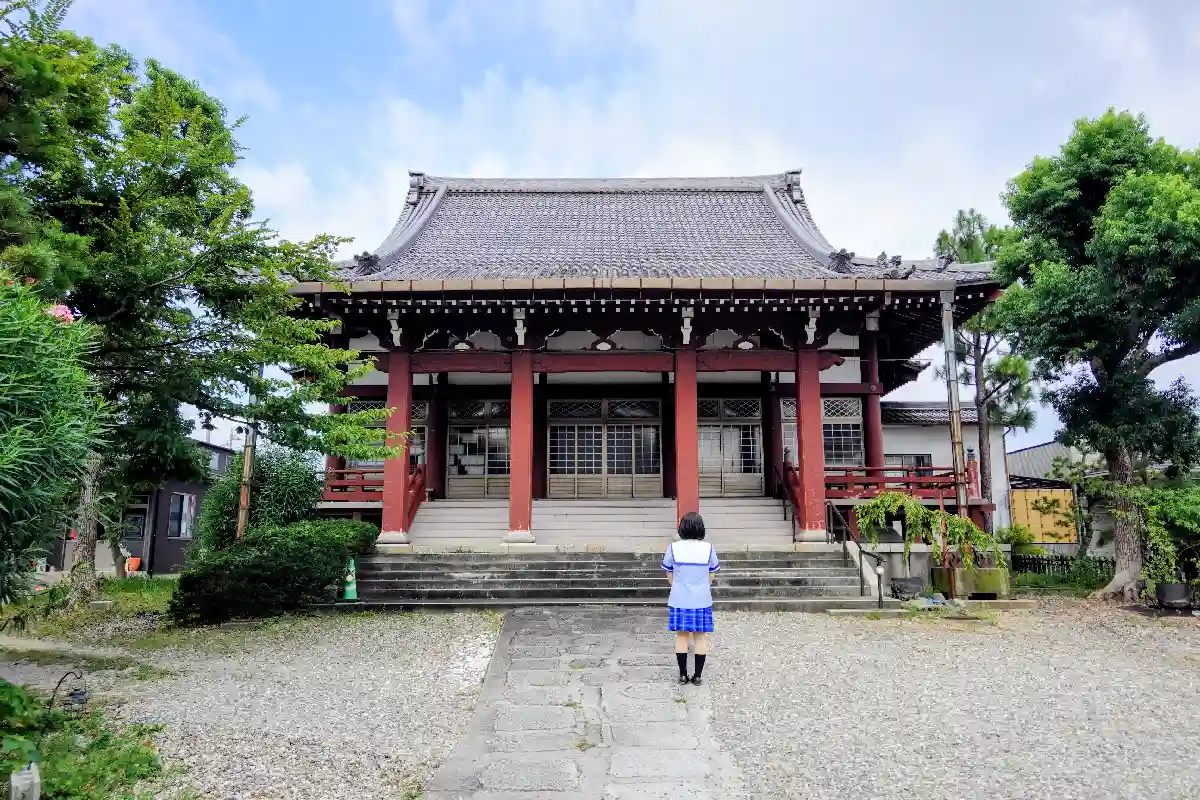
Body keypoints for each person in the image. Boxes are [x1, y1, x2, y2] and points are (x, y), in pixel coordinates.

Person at [661, 511, 719, 685]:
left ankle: (683, 675)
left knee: (681, 636)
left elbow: (668, 572)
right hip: (702, 599)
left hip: (679, 598)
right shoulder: (708, 548)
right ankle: (698, 676)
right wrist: (703, 586)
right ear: (701, 528)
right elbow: (712, 573)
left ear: (682, 528)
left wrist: (677, 586)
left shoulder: (673, 548)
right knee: (700, 637)